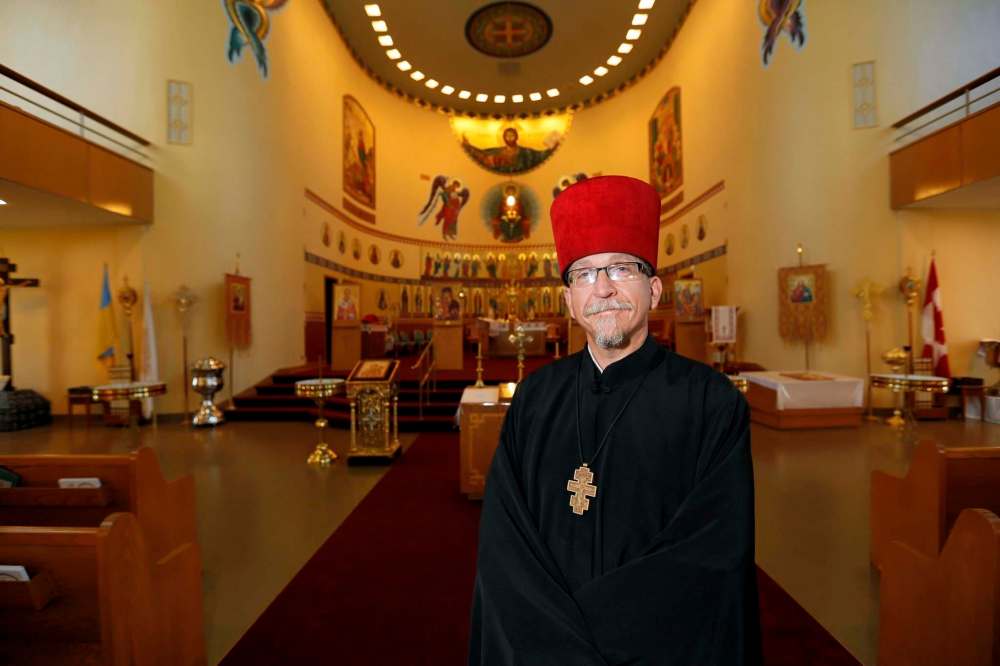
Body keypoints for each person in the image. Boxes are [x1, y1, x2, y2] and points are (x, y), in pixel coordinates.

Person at [469, 175, 761, 665]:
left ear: (653, 288)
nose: (602, 288)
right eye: (583, 274)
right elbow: (504, 543)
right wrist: (550, 640)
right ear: (568, 301)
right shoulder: (535, 398)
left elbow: (712, 555)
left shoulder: (711, 404)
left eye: (620, 269)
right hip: (538, 648)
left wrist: (590, 644)